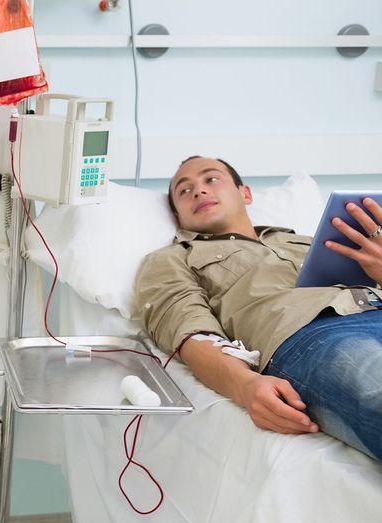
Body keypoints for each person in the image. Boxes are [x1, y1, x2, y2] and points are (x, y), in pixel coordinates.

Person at [135, 155, 382, 459]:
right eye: (184, 191)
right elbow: (190, 332)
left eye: (211, 179)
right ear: (177, 215)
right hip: (316, 335)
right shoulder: (171, 258)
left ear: (245, 194)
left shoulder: (311, 240)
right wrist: (245, 385)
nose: (199, 190)